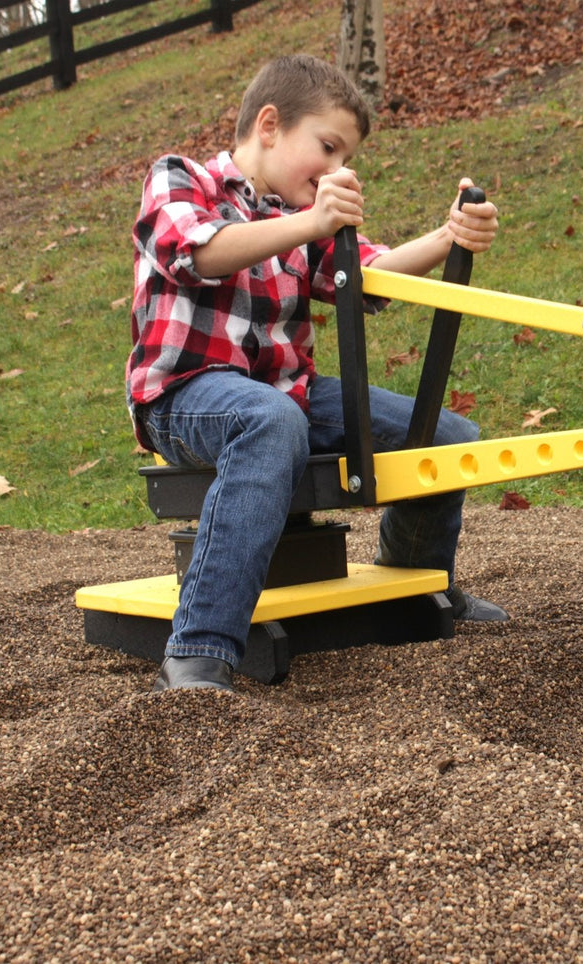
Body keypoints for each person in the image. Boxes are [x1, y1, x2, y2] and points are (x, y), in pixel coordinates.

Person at [127, 54, 507, 693]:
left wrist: (450, 237)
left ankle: (412, 584)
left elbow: (369, 271)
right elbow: (198, 252)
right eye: (327, 148)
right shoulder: (180, 177)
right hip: (185, 393)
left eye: (345, 158)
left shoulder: (298, 214)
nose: (336, 170)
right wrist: (312, 222)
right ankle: (200, 648)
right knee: (267, 421)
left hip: (284, 391)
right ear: (270, 125)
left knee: (445, 436)